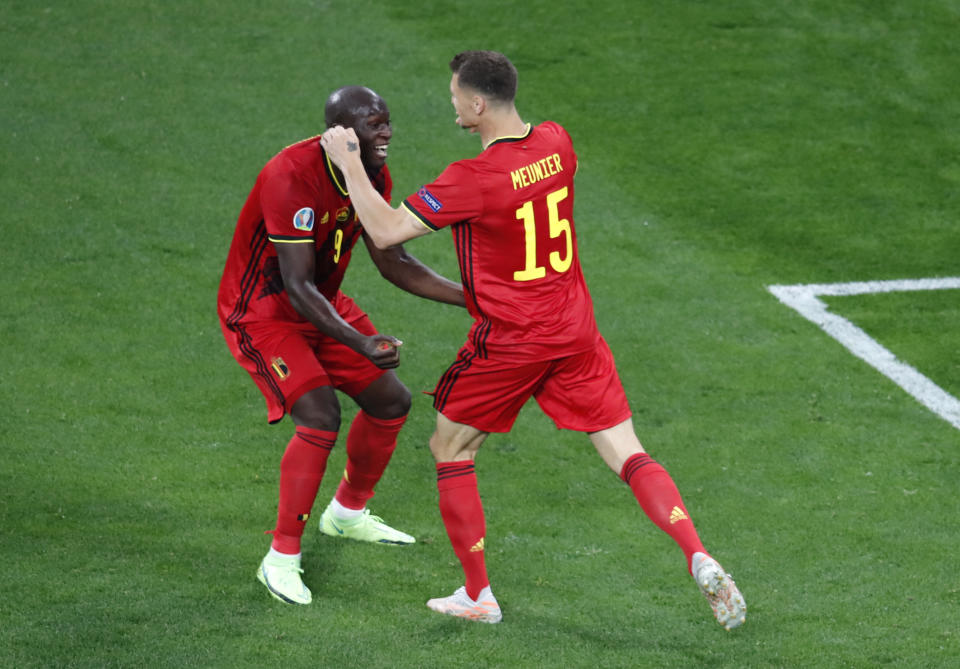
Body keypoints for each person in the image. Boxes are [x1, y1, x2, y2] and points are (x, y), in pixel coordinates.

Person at [320, 52, 746, 629]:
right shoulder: (557, 142)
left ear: (476, 103)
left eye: (453, 95)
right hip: (574, 328)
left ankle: (478, 595)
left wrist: (349, 165)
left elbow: (388, 230)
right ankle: (697, 552)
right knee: (626, 449)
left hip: (514, 340)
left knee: (451, 448)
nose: (450, 102)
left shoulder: (473, 179)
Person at [217, 85, 465, 606]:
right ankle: (280, 559)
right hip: (264, 312)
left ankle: (346, 515)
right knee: (320, 414)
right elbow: (297, 286)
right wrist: (360, 341)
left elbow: (392, 260)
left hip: (321, 304)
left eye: (387, 121)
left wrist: (473, 299)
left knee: (390, 402)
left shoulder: (368, 171)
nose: (387, 132)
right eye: (375, 124)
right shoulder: (290, 176)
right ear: (341, 133)